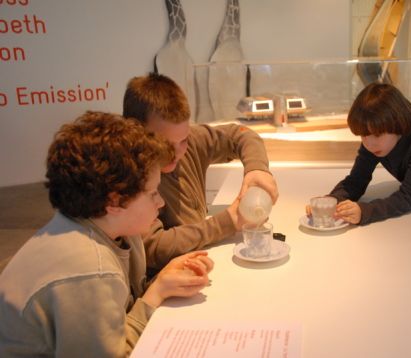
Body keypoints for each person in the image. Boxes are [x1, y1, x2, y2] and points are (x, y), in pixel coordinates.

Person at [0, 112, 213, 357]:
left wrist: (161, 283)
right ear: (115, 201)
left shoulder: (101, 227)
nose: (161, 202)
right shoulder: (89, 268)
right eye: (153, 193)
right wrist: (155, 296)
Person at [123, 73, 278, 270]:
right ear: (135, 132)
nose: (178, 152)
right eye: (166, 145)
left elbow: (241, 134)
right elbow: (153, 248)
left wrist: (257, 169)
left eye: (184, 139)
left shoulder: (191, 140)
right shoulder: (130, 176)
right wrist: (227, 222)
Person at [319, 82, 411, 225]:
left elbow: (409, 196)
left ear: (397, 122)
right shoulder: (374, 141)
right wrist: (332, 200)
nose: (369, 143)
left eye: (376, 135)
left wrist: (365, 211)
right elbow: (356, 180)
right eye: (363, 136)